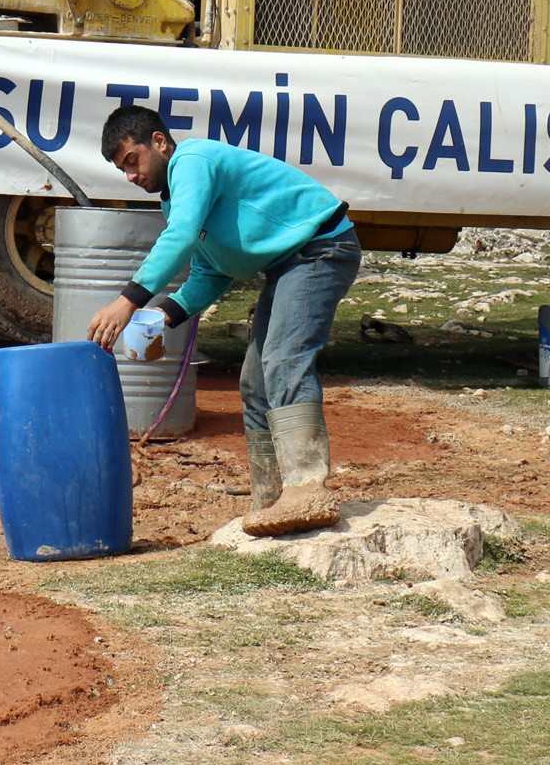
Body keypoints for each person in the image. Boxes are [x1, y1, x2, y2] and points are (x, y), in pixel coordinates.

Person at [87, 104, 362, 535]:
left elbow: (179, 237)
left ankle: (307, 490)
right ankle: (271, 500)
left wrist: (129, 300)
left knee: (284, 359)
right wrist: (163, 315)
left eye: (131, 161)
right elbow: (210, 272)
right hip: (289, 264)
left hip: (321, 249)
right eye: (122, 169)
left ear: (158, 142)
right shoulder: (174, 199)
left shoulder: (192, 161)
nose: (131, 176)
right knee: (255, 382)